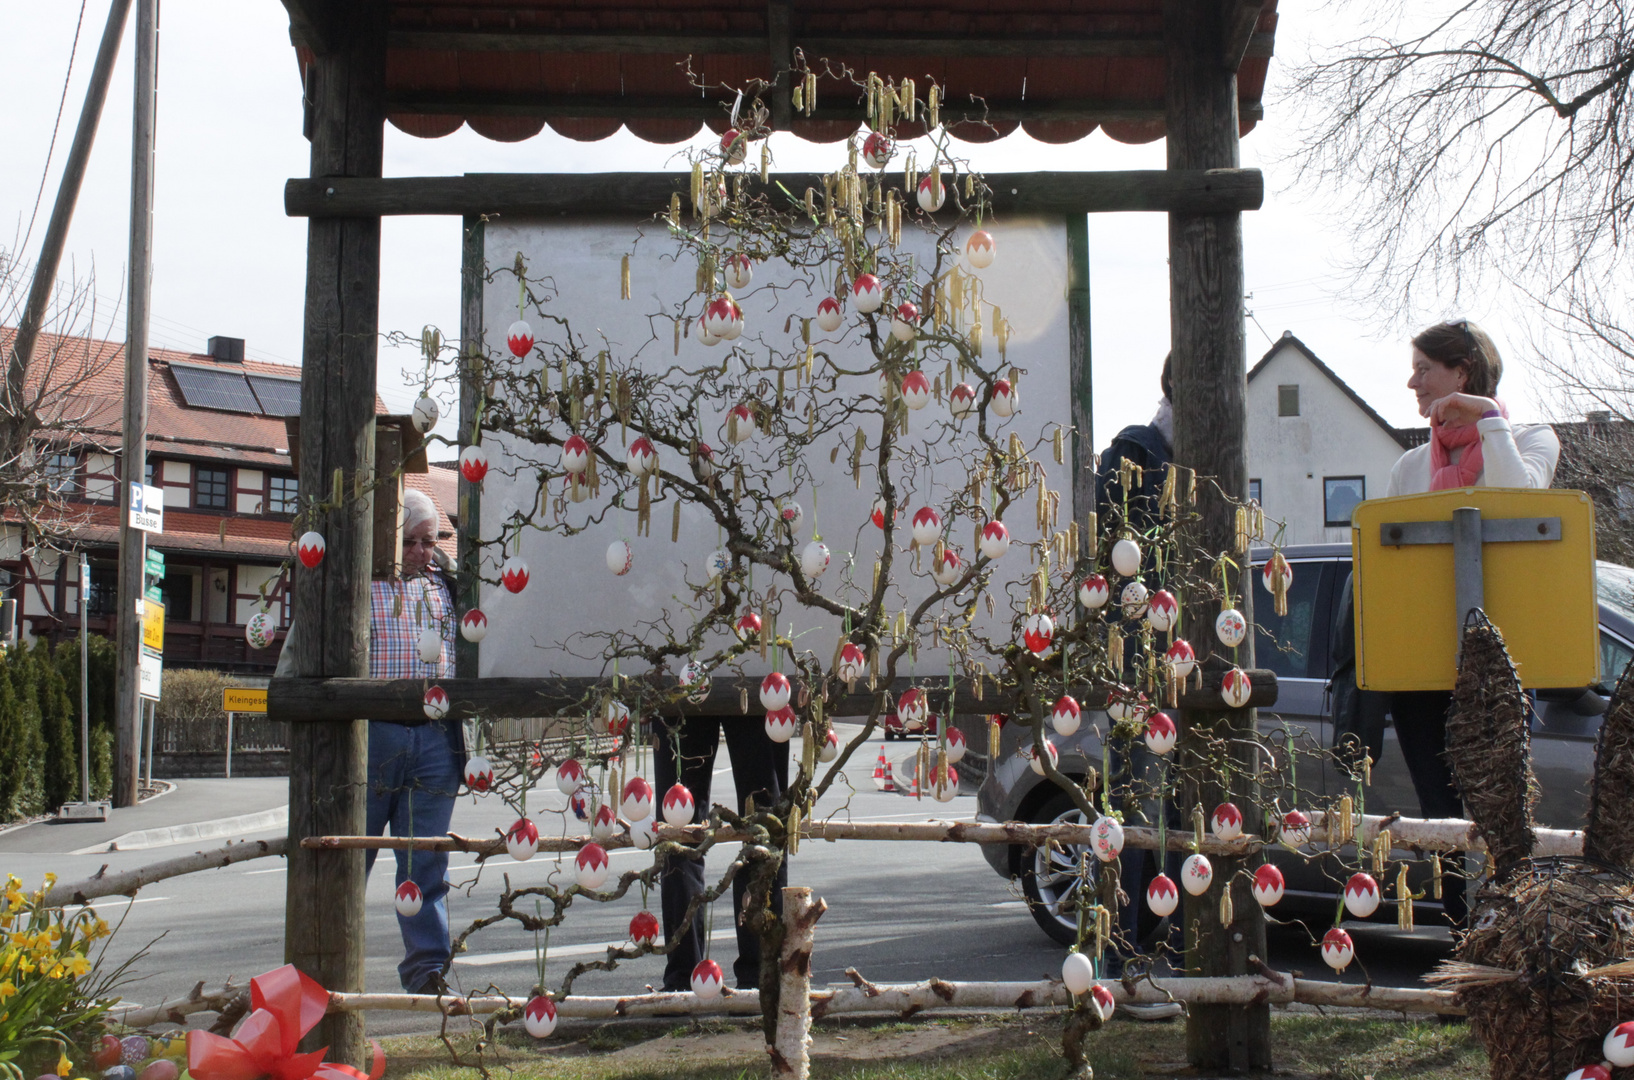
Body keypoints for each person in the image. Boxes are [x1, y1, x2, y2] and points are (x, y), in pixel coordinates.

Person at [1384, 319, 1558, 928]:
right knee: (1442, 815)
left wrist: (1489, 417)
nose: (1413, 382)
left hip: (1503, 668)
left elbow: (1523, 500)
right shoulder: (1409, 466)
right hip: (1422, 668)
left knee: (1502, 811)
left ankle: (1509, 942)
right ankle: (1463, 950)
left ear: (1463, 371)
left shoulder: (1530, 440)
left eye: (1425, 369)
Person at [276, 487, 461, 995]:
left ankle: (428, 973)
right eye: (411, 542)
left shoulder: (446, 588)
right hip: (370, 738)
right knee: (349, 855)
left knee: (424, 861)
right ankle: (323, 971)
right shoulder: (358, 586)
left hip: (434, 742)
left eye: (430, 541)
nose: (423, 552)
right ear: (387, 542)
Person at [1093, 355, 1181, 1020]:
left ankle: (1166, 953)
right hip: (1141, 663)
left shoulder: (1203, 462)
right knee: (1136, 807)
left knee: (1183, 814)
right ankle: (1126, 960)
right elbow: (1114, 564)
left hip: (1193, 664)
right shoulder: (1135, 455)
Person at [654, 711, 789, 992]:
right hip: (702, 686)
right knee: (679, 830)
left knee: (764, 829)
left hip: (748, 687)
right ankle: (686, 976)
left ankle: (759, 973)